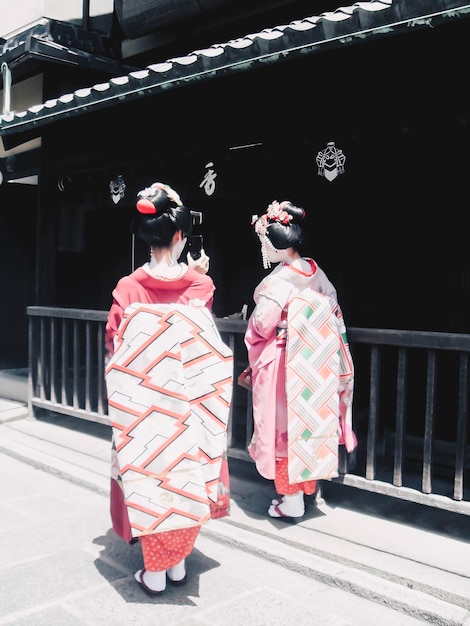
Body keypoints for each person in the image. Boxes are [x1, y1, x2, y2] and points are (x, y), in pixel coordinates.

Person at [105, 182, 232, 596]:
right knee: (186, 472)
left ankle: (155, 572)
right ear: (180, 235)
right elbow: (202, 346)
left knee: (149, 472)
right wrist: (198, 275)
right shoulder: (200, 287)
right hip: (192, 402)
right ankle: (175, 564)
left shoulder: (128, 288)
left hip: (144, 404)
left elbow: (114, 342)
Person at [244, 199, 357, 520]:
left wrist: (253, 334)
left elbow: (261, 326)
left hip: (283, 365)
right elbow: (334, 314)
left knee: (283, 431)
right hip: (316, 363)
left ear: (273, 244)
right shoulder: (316, 273)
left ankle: (290, 500)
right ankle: (304, 491)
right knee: (309, 424)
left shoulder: (278, 282)